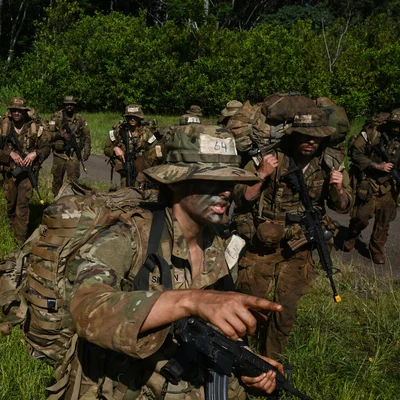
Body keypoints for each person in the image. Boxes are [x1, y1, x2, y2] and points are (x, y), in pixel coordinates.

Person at [56, 126, 284, 399]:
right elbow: (86, 309)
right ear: (175, 181)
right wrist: (190, 301)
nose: (225, 192)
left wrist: (246, 361)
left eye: (229, 181)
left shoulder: (220, 244)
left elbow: (218, 329)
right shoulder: (129, 237)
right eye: (211, 180)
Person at [233, 108, 353, 359]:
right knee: (249, 301)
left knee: (285, 309)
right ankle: (238, 354)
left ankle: (271, 361)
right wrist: (261, 175)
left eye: (316, 137)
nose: (311, 141)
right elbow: (242, 199)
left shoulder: (329, 163)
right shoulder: (268, 158)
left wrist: (339, 187)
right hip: (263, 243)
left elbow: (342, 206)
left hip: (300, 243)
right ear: (293, 134)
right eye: (305, 136)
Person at [343, 109, 400, 264]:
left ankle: (376, 249)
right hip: (369, 181)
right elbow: (355, 152)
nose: (396, 129)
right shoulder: (374, 133)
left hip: (390, 186)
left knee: (384, 220)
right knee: (361, 217)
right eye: (394, 125)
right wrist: (376, 165)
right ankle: (352, 235)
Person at [0, 97, 51, 243]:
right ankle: (11, 232)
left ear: (24, 112)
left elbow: (47, 147)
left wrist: (36, 154)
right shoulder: (3, 127)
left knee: (22, 206)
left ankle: (20, 241)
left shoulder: (34, 127)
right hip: (10, 173)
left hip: (27, 175)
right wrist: (10, 154)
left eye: (19, 110)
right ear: (10, 112)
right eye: (14, 110)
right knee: (11, 204)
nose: (16, 113)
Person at [104, 104, 160, 188]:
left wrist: (147, 164)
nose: (132, 119)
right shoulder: (119, 131)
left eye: (135, 117)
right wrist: (115, 149)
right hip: (125, 167)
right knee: (126, 188)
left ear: (139, 118)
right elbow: (106, 149)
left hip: (142, 168)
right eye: (130, 117)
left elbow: (156, 150)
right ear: (126, 118)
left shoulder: (146, 133)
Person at [49, 95, 91, 197]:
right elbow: (48, 134)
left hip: (73, 153)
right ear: (64, 105)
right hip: (59, 153)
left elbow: (87, 135)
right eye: (67, 104)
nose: (69, 107)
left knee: (73, 178)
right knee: (57, 179)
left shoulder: (80, 119)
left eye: (71, 105)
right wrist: (61, 135)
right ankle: (57, 200)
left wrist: (87, 151)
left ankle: (73, 200)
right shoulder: (56, 117)